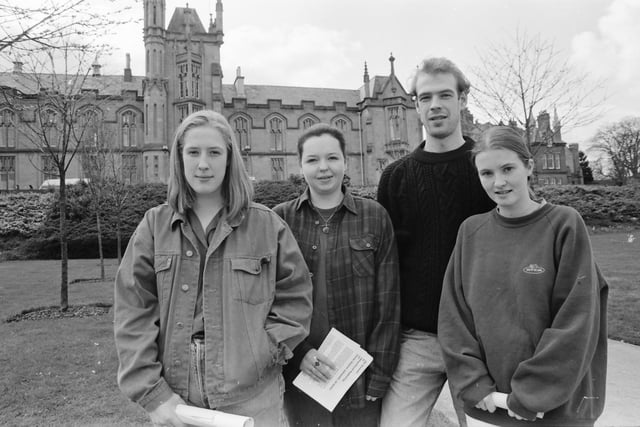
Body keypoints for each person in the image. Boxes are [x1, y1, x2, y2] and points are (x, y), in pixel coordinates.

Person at [113, 110, 313, 427]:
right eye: (193, 152)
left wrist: (264, 350)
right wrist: (152, 393)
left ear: (229, 159)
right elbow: (133, 309)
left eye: (214, 152)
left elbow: (296, 296)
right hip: (178, 399)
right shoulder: (155, 225)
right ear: (179, 159)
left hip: (253, 398)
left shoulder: (266, 225)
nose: (203, 164)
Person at [438, 126, 608, 427]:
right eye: (487, 173)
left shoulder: (564, 225)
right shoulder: (471, 232)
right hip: (488, 407)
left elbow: (578, 320)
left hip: (551, 410)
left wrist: (532, 394)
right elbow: (454, 318)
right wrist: (473, 383)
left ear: (529, 166)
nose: (498, 182)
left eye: (507, 168)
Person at [377, 57, 495, 427]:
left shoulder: (489, 169)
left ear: (462, 99)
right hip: (418, 339)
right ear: (415, 105)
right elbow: (386, 262)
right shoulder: (395, 177)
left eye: (445, 95)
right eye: (425, 97)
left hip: (482, 342)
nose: (435, 105)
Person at [274, 123, 401, 426]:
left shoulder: (374, 216)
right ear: (300, 165)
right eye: (313, 160)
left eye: (332, 158)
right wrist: (297, 353)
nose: (323, 168)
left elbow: (389, 301)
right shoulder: (280, 219)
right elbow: (269, 301)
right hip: (302, 371)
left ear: (346, 161)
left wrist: (380, 373)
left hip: (358, 374)